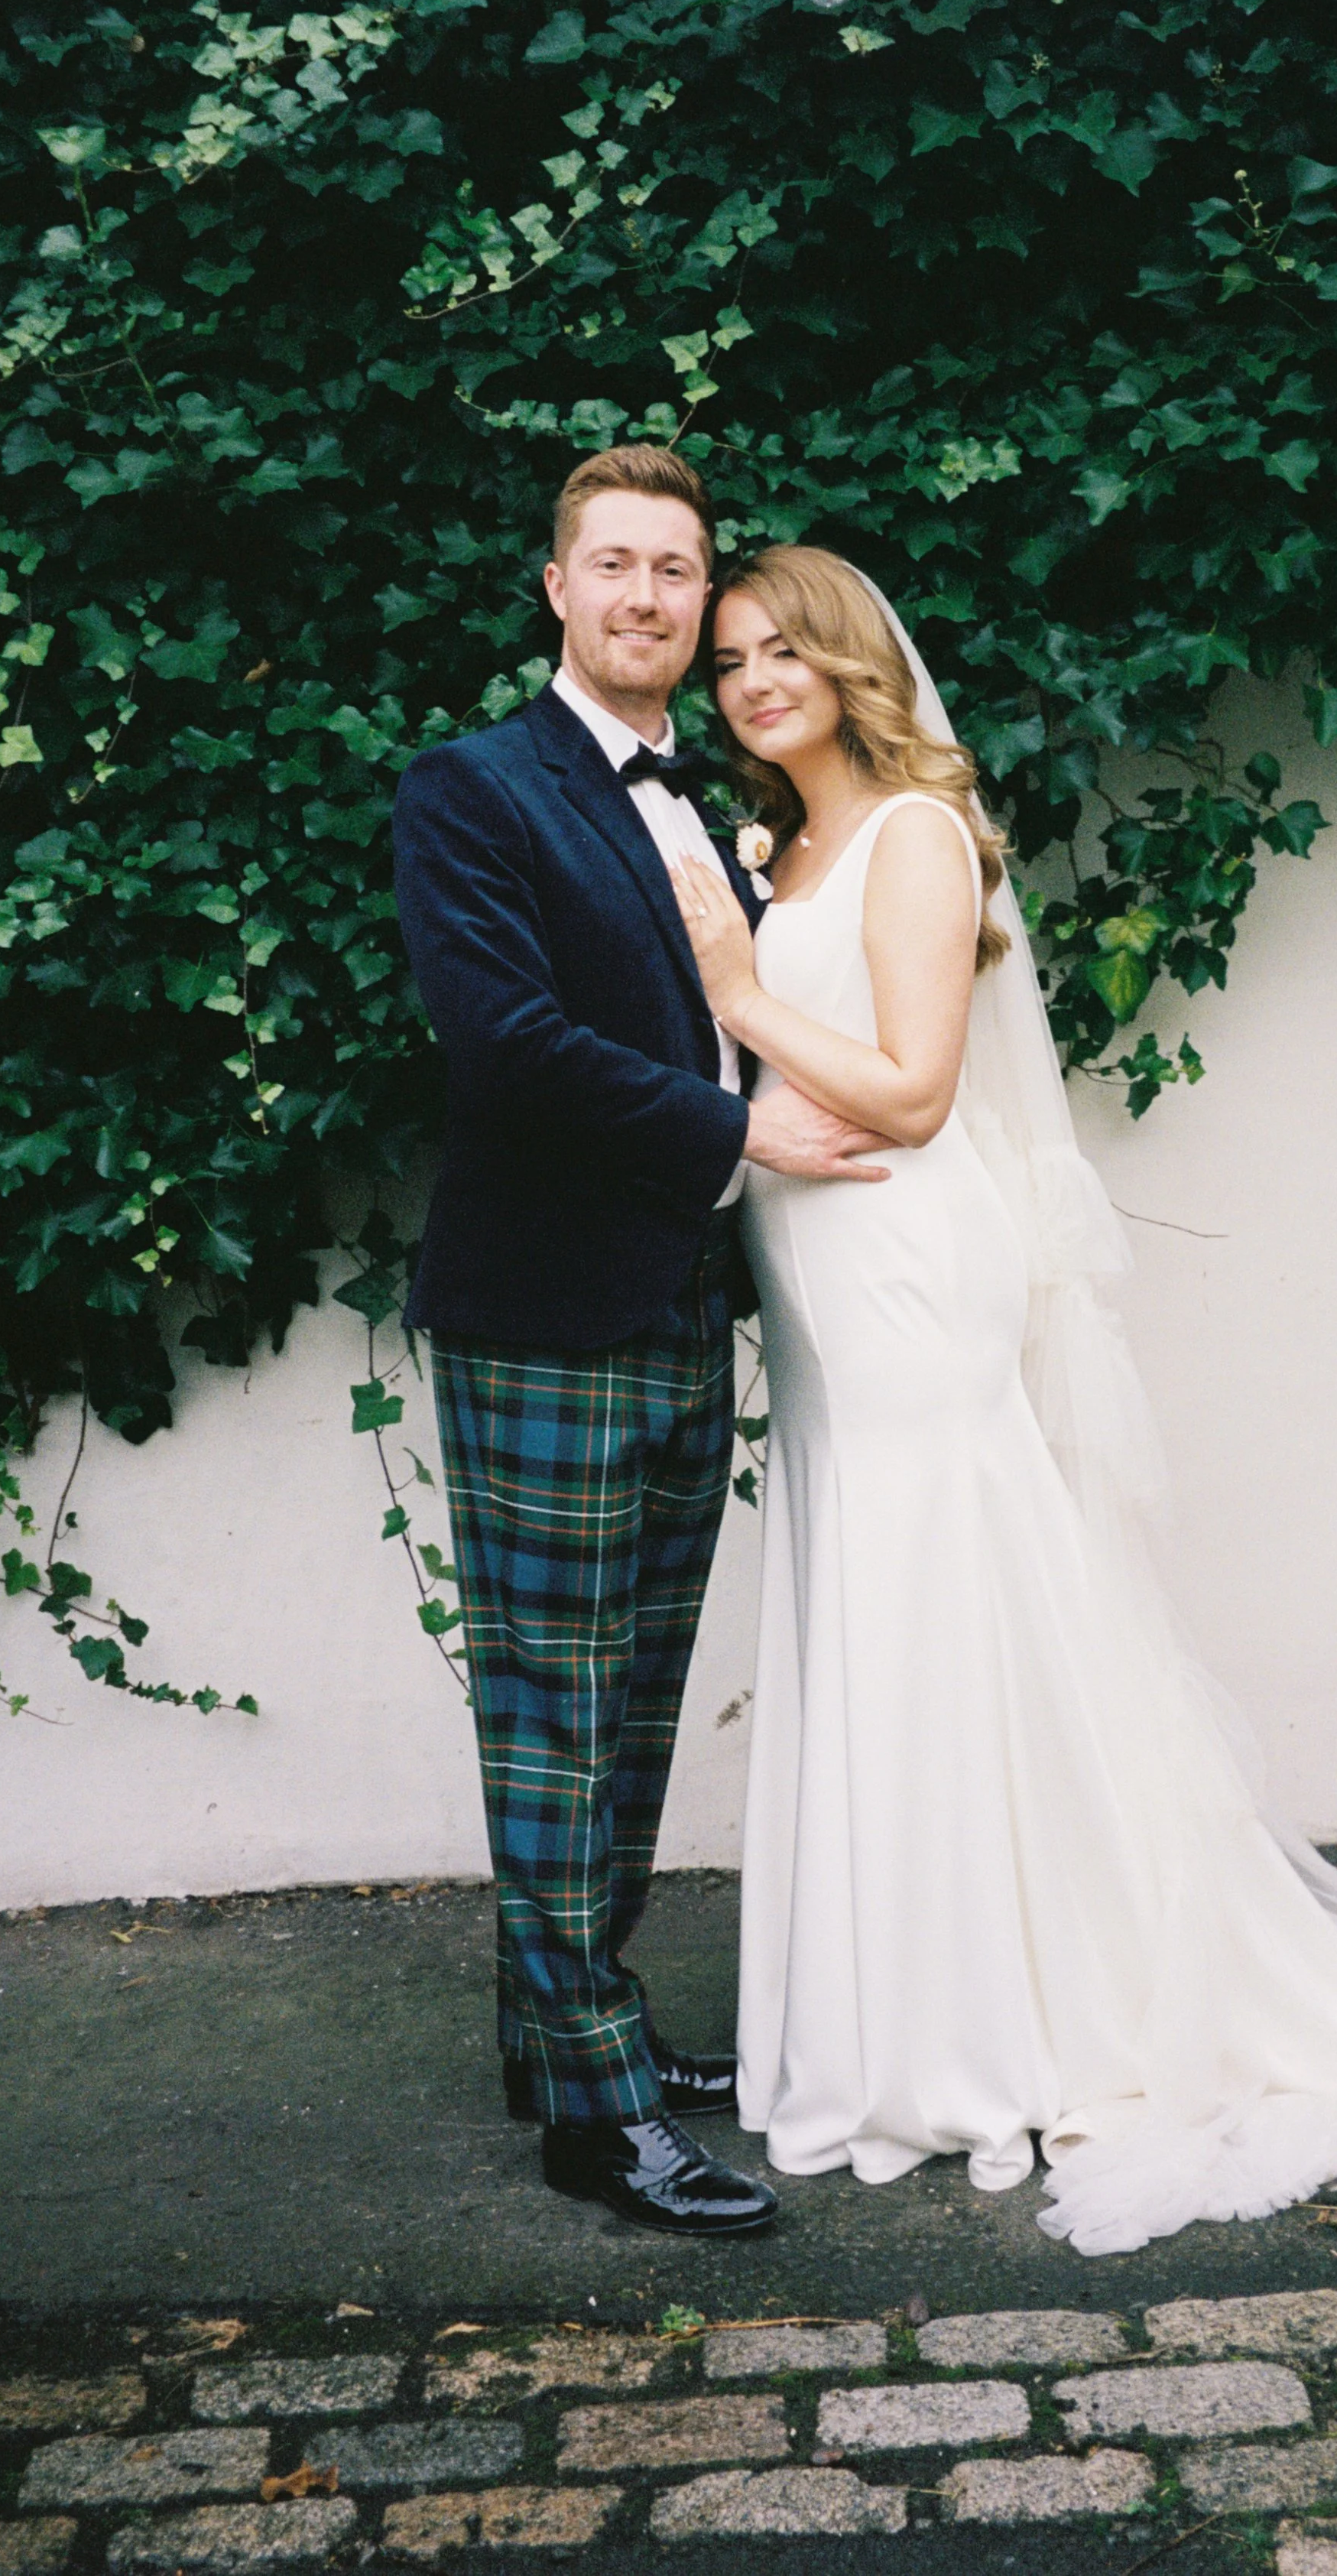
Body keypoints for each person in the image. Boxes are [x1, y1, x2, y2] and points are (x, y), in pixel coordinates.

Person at [664, 543, 1337, 2254]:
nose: (751, 681)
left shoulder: (906, 837)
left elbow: (910, 1094)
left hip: (906, 1273)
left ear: (846, 664)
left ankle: (992, 2021)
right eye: (732, 658)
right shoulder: (787, 841)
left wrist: (741, 996)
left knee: (940, 1616)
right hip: (818, 1292)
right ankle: (891, 2005)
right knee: (876, 1609)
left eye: (782, 652)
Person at [392, 450, 891, 2238]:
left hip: (688, 1302)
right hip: (544, 1312)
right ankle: (595, 2118)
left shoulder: (707, 803)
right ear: (555, 590)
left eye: (675, 571)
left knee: (631, 1710)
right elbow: (506, 1043)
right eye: (612, 565)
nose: (648, 599)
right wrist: (736, 1136)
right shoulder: (473, 789)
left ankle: (565, 2030)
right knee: (550, 1708)